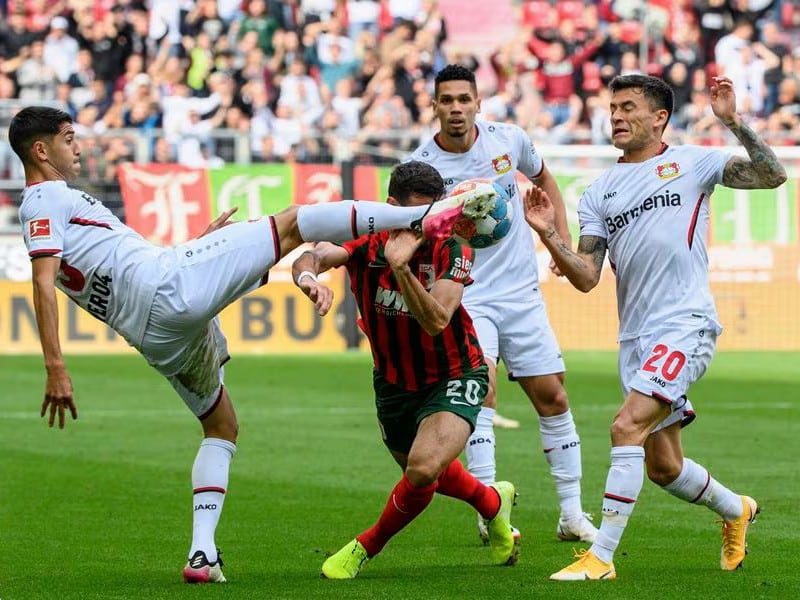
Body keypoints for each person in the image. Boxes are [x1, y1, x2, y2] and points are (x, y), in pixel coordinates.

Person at [9, 106, 492, 584]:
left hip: (153, 331)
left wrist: (198, 250)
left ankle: (203, 555)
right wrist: (55, 365)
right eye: (68, 137)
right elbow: (43, 280)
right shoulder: (46, 196)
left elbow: (110, 266)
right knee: (295, 221)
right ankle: (426, 214)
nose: (77, 146)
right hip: (169, 287)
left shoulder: (61, 204)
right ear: (40, 149)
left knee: (221, 425)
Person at [524, 74, 786, 581]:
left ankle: (600, 557)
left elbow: (771, 175)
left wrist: (733, 122)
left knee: (625, 426)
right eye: (612, 107)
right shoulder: (598, 192)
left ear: (659, 117)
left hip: (685, 322)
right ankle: (737, 510)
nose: (616, 116)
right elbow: (584, 277)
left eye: (628, 107)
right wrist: (551, 235)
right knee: (663, 466)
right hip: (634, 338)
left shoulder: (692, 162)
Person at [291, 160, 519, 579]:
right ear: (392, 207)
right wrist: (307, 277)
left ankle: (365, 546)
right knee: (430, 473)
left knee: (422, 468)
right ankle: (492, 503)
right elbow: (315, 253)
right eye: (413, 217)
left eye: (428, 216)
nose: (422, 227)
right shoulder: (366, 238)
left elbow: (437, 320)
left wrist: (400, 267)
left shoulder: (453, 246)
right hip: (394, 382)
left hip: (456, 373)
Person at [408, 63, 597, 544]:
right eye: (446, 100)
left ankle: (572, 514)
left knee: (552, 395)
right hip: (466, 294)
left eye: (463, 99)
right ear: (434, 106)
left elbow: (545, 179)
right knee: (484, 389)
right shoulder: (422, 164)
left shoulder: (508, 140)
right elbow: (407, 228)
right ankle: (491, 511)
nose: (455, 108)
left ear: (477, 103)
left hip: (521, 291)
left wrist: (561, 239)